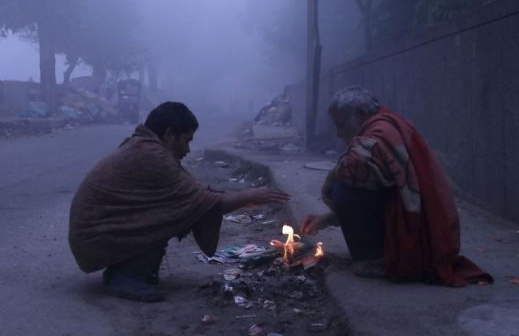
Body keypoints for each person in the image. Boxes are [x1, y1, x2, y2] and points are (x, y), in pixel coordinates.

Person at [68, 101, 290, 302]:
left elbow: (190, 194)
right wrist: (252, 196)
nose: (187, 149)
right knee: (179, 212)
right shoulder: (152, 155)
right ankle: (125, 276)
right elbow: (200, 201)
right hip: (94, 239)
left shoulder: (145, 146)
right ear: (169, 134)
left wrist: (212, 197)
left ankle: (133, 270)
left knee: (182, 207)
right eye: (186, 140)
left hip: (95, 234)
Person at [299, 86, 492, 286]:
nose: (338, 134)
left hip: (417, 238)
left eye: (340, 124)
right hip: (415, 224)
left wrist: (333, 178)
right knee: (346, 187)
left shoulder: (382, 130)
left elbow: (352, 172)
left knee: (343, 189)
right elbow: (374, 197)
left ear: (361, 114)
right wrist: (325, 220)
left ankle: (374, 261)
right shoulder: (386, 125)